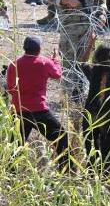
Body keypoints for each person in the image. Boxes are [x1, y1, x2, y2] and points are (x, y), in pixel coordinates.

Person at [46, 0, 107, 103]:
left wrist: (101, 14)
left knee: (84, 63)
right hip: (70, 28)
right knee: (69, 64)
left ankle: (81, 97)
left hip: (88, 27)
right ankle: (66, 100)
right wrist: (66, 0)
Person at [6, 36, 69, 171]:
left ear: (24, 48)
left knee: (15, 146)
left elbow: (10, 89)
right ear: (39, 49)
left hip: (19, 111)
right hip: (39, 111)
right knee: (61, 137)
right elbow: (57, 74)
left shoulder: (14, 64)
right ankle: (65, 171)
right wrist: (56, 60)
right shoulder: (44, 62)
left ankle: (11, 175)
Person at [79, 33, 110, 172]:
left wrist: (91, 44)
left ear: (97, 57)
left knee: (91, 145)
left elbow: (82, 62)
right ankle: (104, 174)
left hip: (91, 113)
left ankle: (91, 172)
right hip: (109, 114)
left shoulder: (94, 71)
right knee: (108, 146)